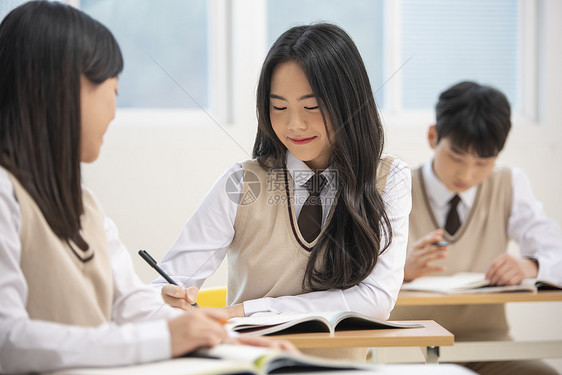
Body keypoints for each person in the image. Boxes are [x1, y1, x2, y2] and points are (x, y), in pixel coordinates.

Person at [0, 2, 293, 373]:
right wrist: (167, 338)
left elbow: (131, 304)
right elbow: (7, 340)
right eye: (114, 91)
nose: (113, 112)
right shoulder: (4, 196)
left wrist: (219, 335)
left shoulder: (83, 205)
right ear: (65, 89)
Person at [153, 23, 411, 327]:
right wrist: (168, 299)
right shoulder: (242, 182)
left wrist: (246, 310)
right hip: (252, 363)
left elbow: (376, 300)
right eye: (279, 107)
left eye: (312, 106)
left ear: (349, 103)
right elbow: (167, 285)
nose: (294, 125)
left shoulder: (387, 179)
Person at [390, 81, 561, 375]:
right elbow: (352, 275)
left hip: (488, 348)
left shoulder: (508, 184)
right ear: (433, 137)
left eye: (483, 162)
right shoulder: (395, 186)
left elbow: (554, 250)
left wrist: (531, 265)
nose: (467, 173)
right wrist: (400, 271)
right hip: (406, 348)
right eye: (456, 157)